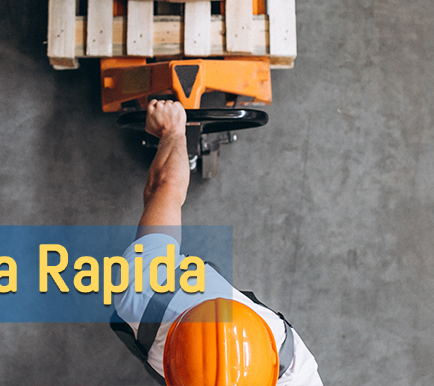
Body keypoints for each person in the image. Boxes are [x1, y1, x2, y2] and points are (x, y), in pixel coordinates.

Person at [111, 100, 324, 386]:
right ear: (271, 357)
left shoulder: (142, 290)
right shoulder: (299, 374)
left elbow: (164, 189)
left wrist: (173, 132)